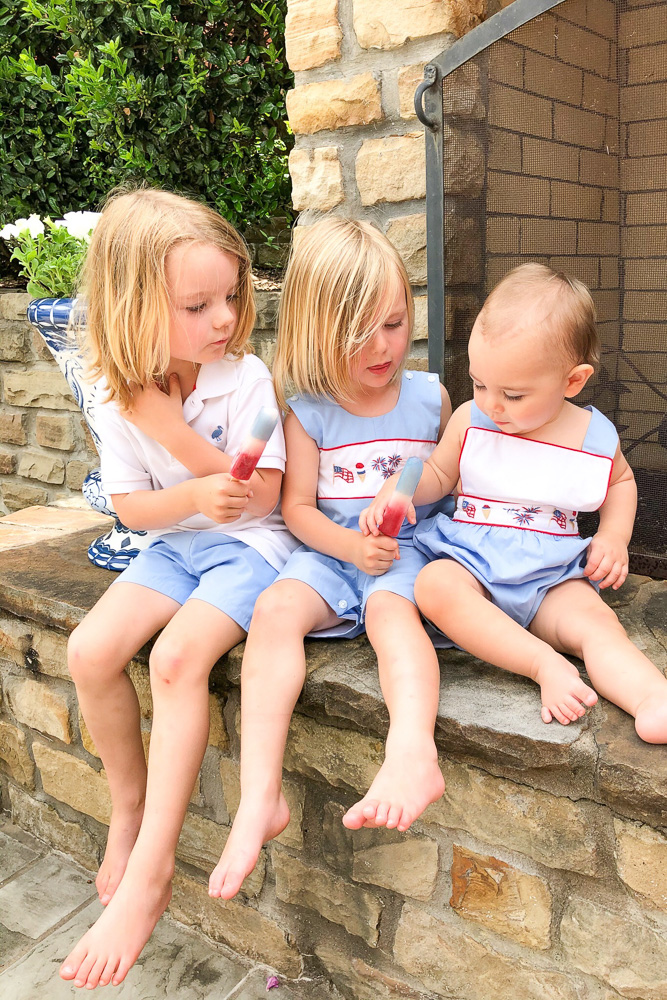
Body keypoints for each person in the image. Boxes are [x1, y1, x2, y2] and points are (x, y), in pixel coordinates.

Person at [59, 188, 295, 990]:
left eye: (231, 295)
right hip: (174, 544)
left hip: (250, 550)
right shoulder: (112, 390)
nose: (224, 318)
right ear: (131, 309)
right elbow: (130, 507)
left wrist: (181, 443)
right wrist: (189, 489)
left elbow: (261, 495)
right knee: (89, 652)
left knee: (175, 662)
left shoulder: (247, 379)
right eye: (198, 305)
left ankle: (152, 874)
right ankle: (127, 810)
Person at [207, 217, 454, 901]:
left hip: (402, 552)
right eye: (359, 333)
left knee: (390, 616)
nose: (383, 346)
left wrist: (398, 520)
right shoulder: (306, 410)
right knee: (274, 607)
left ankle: (412, 750)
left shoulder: (430, 398)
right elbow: (297, 510)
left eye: (395, 323)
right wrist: (349, 546)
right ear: (318, 331)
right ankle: (260, 794)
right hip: (331, 550)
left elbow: (452, 479)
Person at [366, 263, 667, 742]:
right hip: (473, 562)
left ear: (572, 381)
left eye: (512, 393)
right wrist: (401, 488)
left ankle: (651, 696)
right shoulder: (472, 420)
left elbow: (621, 483)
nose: (491, 404)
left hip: (550, 575)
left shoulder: (589, 436)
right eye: (479, 383)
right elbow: (442, 475)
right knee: (434, 585)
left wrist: (613, 536)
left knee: (597, 624)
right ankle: (540, 663)